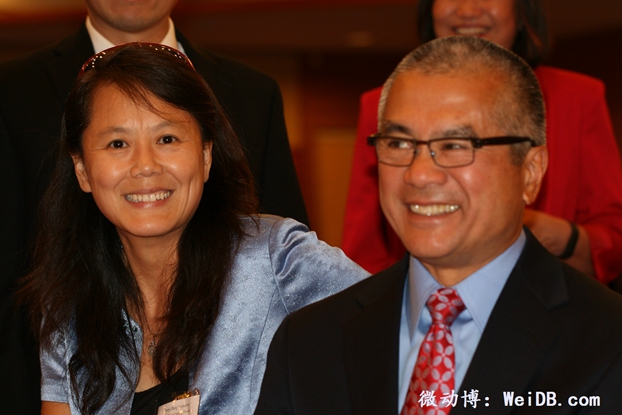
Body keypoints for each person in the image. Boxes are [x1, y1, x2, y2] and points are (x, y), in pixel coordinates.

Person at [255, 37, 622, 415]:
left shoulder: (607, 342)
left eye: (455, 145)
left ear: (530, 171)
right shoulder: (309, 342)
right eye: (399, 143)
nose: (419, 174)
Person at [20, 43, 367, 415]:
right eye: (117, 143)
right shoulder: (71, 305)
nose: (145, 166)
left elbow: (396, 331)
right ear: (82, 170)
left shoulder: (277, 259)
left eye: (167, 139)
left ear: (205, 155)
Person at [342, 0, 622, 285]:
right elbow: (364, 253)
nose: (468, 11)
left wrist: (562, 236)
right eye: (400, 143)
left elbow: (614, 239)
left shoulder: (578, 99)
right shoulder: (385, 104)